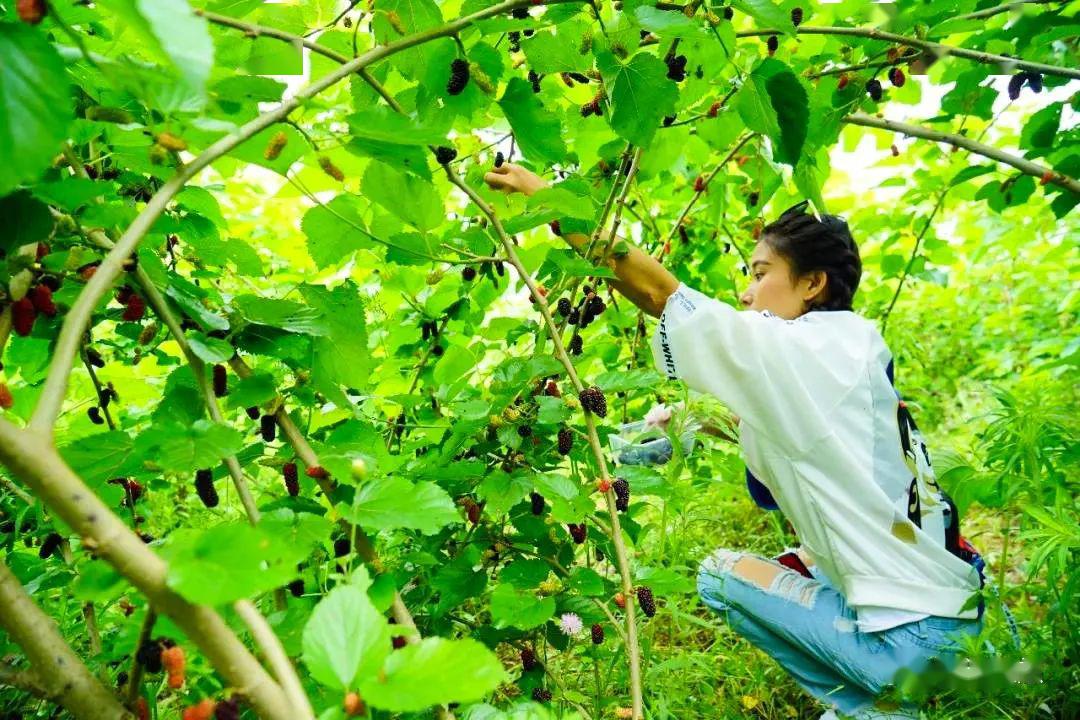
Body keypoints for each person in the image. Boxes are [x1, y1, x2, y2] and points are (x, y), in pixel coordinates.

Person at [484, 162, 986, 720]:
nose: (746, 294)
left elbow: (658, 294)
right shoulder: (845, 351)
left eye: (760, 273)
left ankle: (877, 707)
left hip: (914, 641)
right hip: (959, 621)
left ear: (813, 283)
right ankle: (877, 702)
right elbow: (777, 430)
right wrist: (676, 429)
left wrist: (551, 201)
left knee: (721, 573)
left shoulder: (806, 349)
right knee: (801, 561)